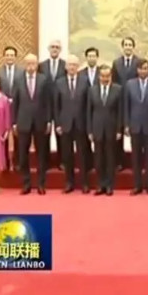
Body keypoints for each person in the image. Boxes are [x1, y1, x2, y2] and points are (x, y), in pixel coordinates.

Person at [12, 54, 51, 195]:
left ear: (37, 64)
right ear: (25, 64)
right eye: (28, 63)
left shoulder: (43, 79)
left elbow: (48, 102)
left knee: (41, 154)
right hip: (23, 122)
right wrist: (14, 122)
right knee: (23, 155)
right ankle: (26, 183)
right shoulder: (18, 79)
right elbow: (15, 102)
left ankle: (41, 184)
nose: (30, 66)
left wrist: (49, 120)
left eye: (33, 63)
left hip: (40, 121)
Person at [53, 54, 91, 194]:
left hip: (81, 124)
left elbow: (88, 105)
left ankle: (84, 183)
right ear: (66, 67)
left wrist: (88, 124)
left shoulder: (85, 81)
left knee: (83, 155)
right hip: (65, 124)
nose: (72, 67)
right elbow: (56, 105)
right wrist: (57, 124)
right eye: (70, 65)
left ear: (78, 66)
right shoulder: (59, 82)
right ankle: (69, 183)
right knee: (67, 156)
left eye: (75, 65)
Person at [124, 59, 148, 195]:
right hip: (135, 126)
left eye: (145, 68)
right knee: (136, 158)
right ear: (137, 70)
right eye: (141, 68)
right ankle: (137, 185)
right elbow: (126, 106)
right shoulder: (130, 84)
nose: (143, 71)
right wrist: (126, 124)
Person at [88, 64, 123, 195]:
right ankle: (100, 184)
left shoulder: (118, 89)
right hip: (97, 128)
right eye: (102, 76)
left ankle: (109, 185)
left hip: (111, 128)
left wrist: (119, 129)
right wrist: (89, 130)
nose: (105, 78)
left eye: (107, 76)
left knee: (110, 158)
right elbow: (88, 111)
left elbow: (120, 111)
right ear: (99, 76)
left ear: (111, 76)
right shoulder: (92, 90)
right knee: (98, 158)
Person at [111, 37, 140, 171]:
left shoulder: (138, 62)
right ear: (122, 47)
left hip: (135, 100)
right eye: (126, 45)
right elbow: (114, 81)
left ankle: (136, 162)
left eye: (130, 45)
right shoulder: (116, 63)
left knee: (135, 133)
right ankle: (119, 162)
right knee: (119, 131)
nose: (128, 47)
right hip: (119, 99)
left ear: (133, 47)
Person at [38, 40, 67, 169]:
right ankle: (46, 162)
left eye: (57, 47)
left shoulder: (65, 65)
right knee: (45, 134)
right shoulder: (41, 66)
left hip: (61, 103)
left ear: (60, 50)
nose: (55, 49)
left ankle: (62, 161)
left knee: (61, 134)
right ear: (49, 49)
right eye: (52, 47)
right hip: (45, 104)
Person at [0, 46, 23, 170]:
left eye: (12, 55)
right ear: (4, 56)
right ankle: (5, 162)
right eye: (7, 55)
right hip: (2, 108)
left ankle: (17, 162)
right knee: (4, 135)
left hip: (18, 107)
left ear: (15, 57)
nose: (9, 57)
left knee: (18, 136)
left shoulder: (22, 72)